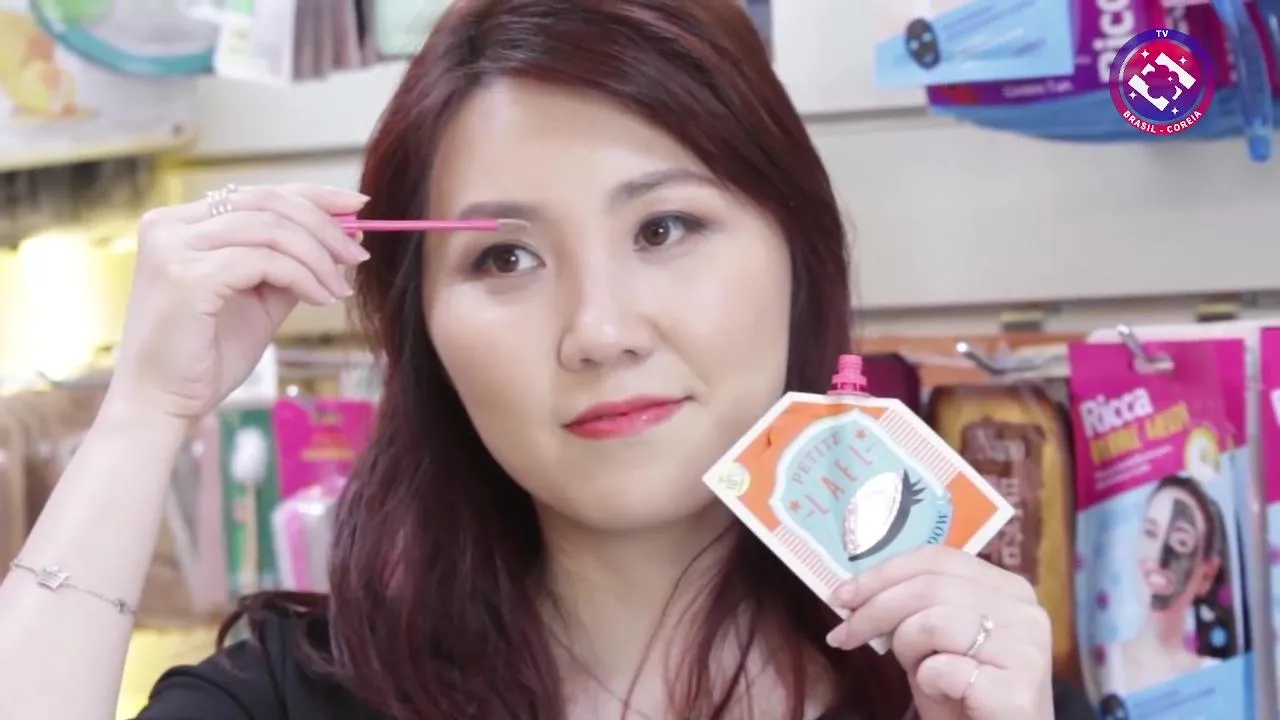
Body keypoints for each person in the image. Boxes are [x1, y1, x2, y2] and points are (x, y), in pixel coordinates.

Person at [0, 2, 1095, 719]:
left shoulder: (961, 689)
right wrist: (144, 413)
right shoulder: (299, 698)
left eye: (664, 228)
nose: (599, 329)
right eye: (506, 257)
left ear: (797, 254)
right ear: (421, 327)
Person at [1096, 474, 1235, 695]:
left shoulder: (1222, 680)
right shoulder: (1097, 666)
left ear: (1206, 575)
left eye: (1181, 542)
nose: (1158, 558)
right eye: (1150, 533)